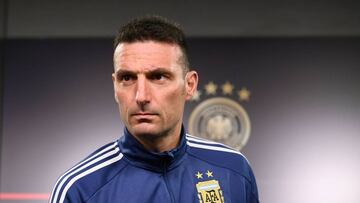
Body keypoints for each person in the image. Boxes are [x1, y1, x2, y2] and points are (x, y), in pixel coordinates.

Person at [49, 15, 259, 203]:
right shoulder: (79, 190)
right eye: (127, 78)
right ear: (115, 86)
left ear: (190, 85)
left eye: (158, 77)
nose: (141, 96)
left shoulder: (234, 170)